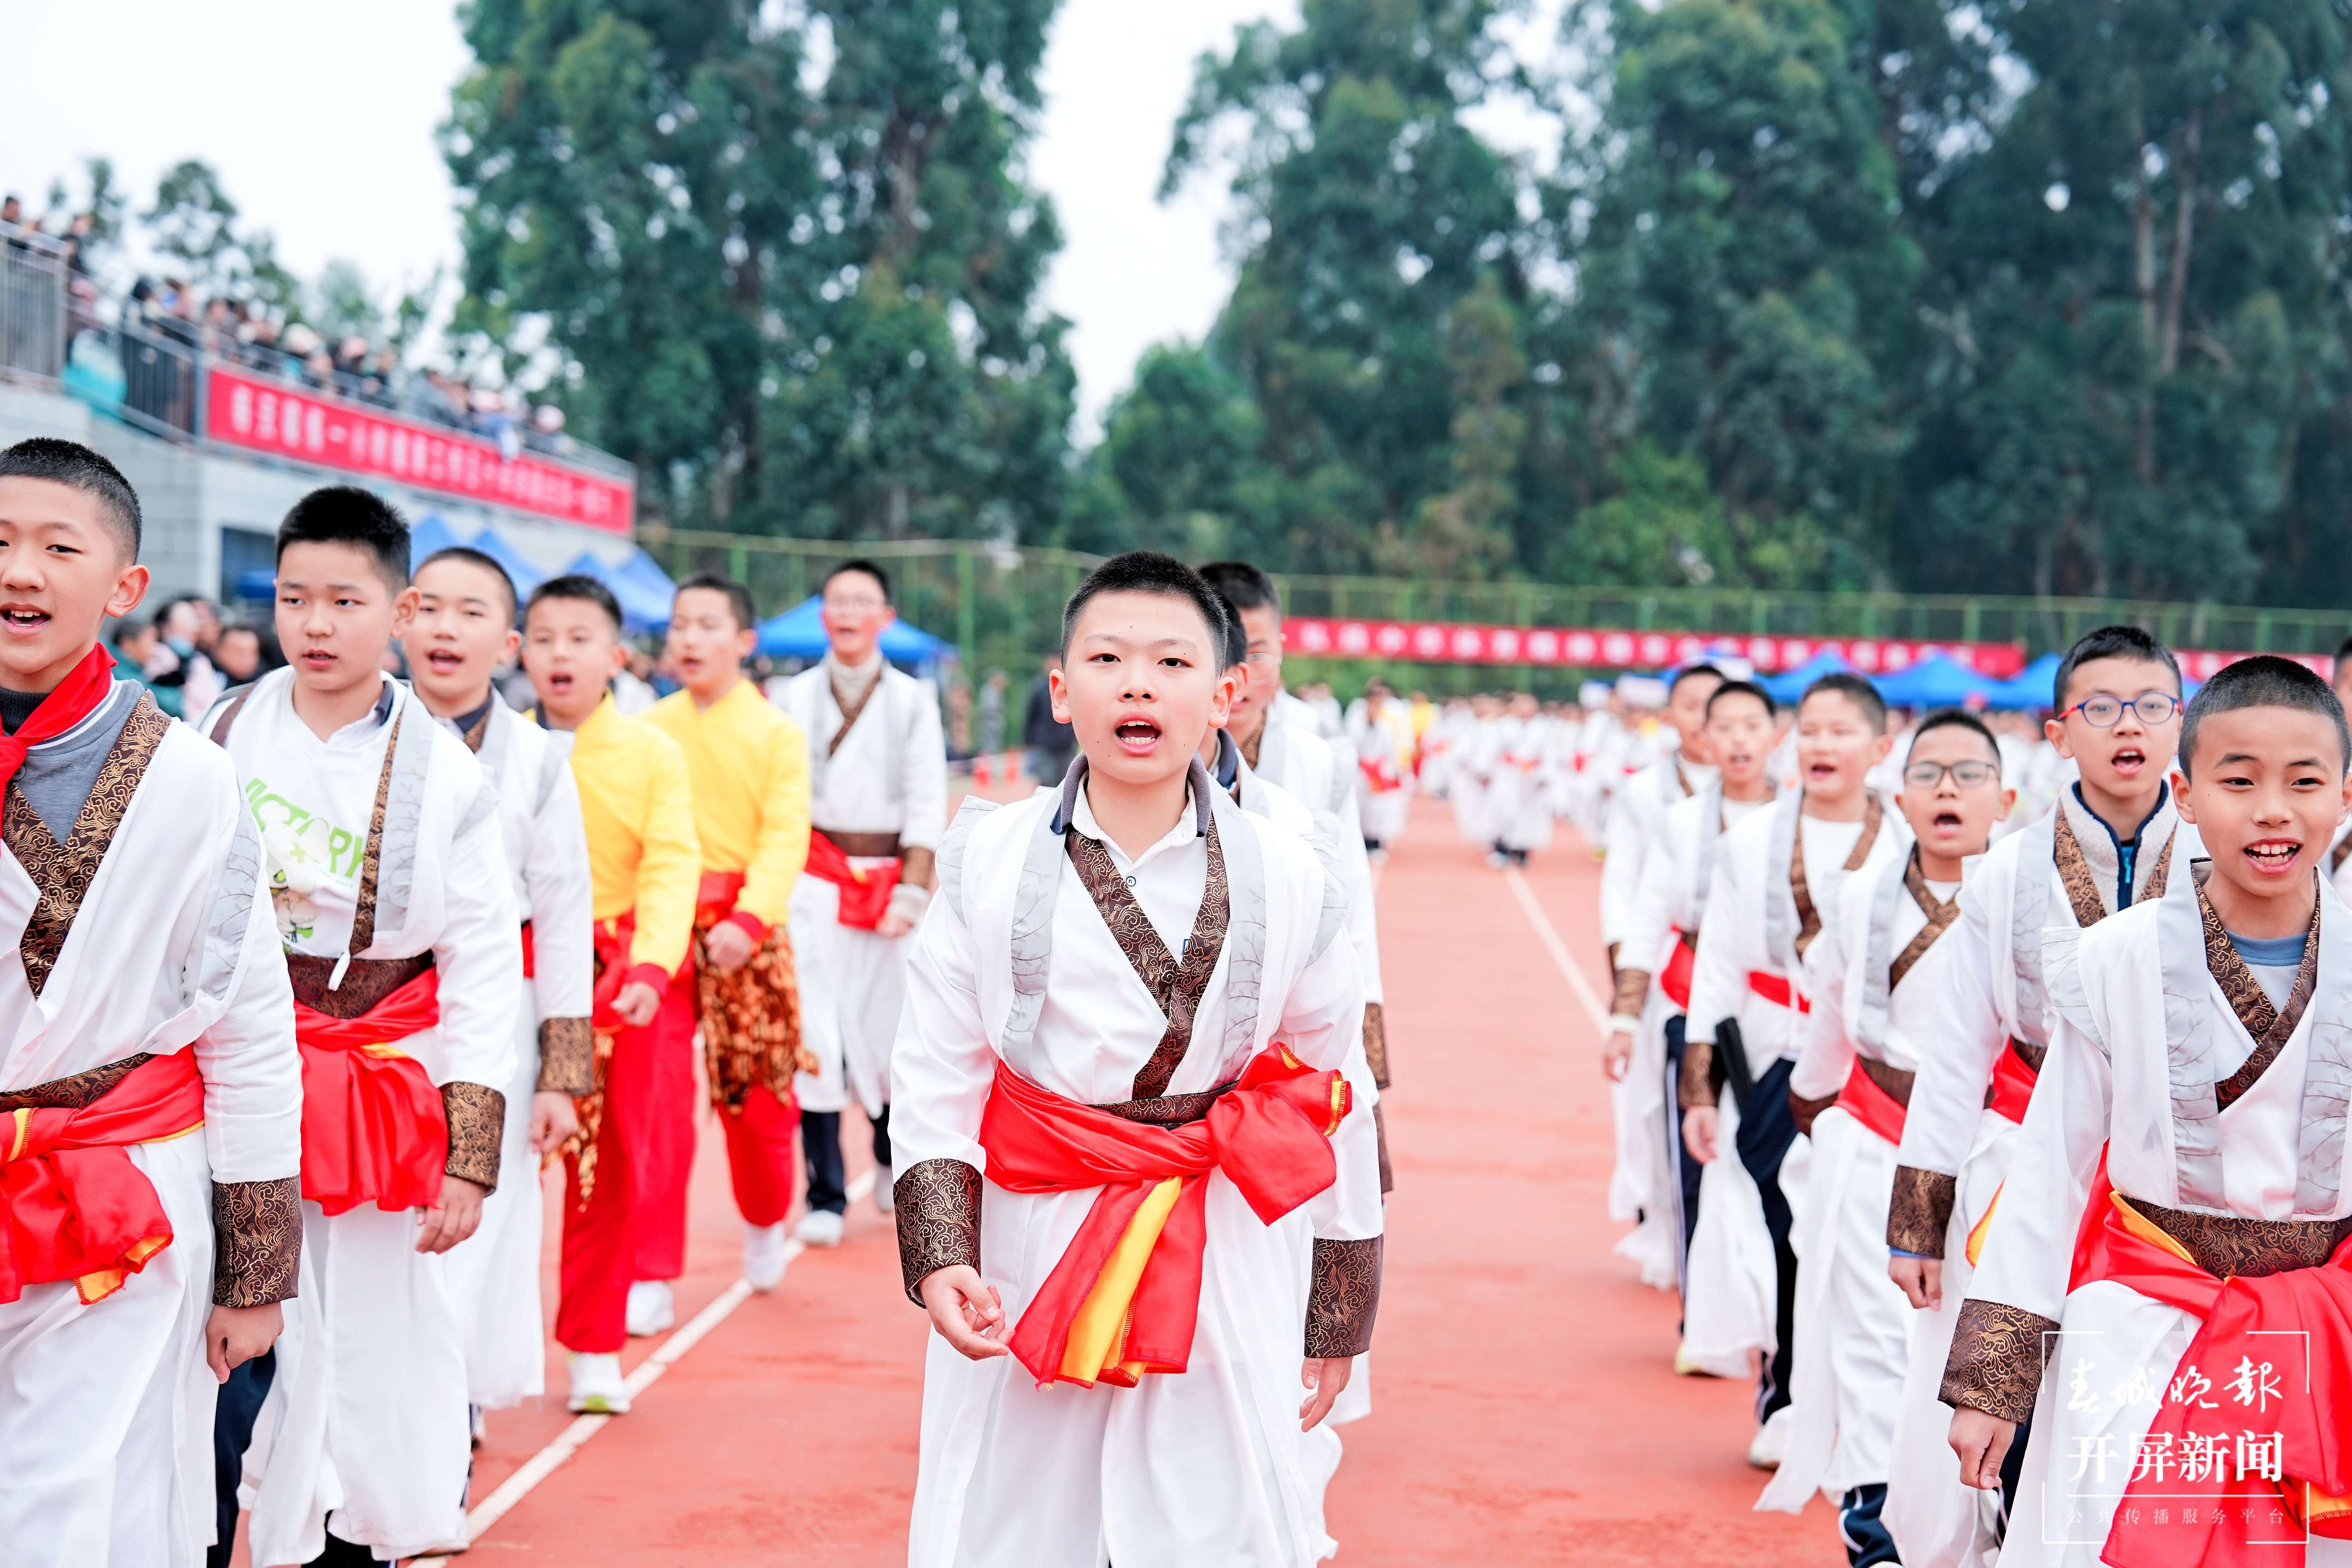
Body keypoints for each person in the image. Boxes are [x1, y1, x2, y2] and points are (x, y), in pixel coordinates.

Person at [891, 551, 1381, 1568]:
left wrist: (1338, 1309)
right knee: (1016, 1523)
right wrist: (942, 1253)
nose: (1138, 685)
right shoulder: (986, 856)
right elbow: (937, 1068)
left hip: (1223, 1240)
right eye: (1107, 658)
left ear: (1224, 696)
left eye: (1172, 661)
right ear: (1061, 691)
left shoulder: (1295, 871)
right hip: (1032, 1240)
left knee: (1219, 1523)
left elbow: (1333, 1088)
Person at [1943, 656, 2352, 1567]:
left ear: (2346, 795)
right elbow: (2052, 1164)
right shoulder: (2112, 958)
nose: (2273, 810)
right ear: (2187, 794)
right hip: (2140, 1322)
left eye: (2304, 782)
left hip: (2319, 1336)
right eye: (2239, 781)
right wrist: (1993, 1381)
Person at [201, 487, 522, 1567]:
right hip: (233, 1061)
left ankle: (356, 1534)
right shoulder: (217, 733)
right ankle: (215, 1528)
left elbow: (485, 968)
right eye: (295, 598)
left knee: (378, 1328)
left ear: (400, 609)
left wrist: (470, 1154)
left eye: (346, 600)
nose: (317, 624)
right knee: (226, 1308)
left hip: (381, 1073)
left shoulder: (450, 773)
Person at [0, 440, 300, 1568]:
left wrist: (256, 1271)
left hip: (121, 1194)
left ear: (125, 585)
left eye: (57, 546)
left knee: (74, 1501)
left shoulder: (189, 777)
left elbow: (250, 1027)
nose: (19, 569)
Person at [1883, 625, 2191, 1568]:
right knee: (2004, 1387)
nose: (2128, 726)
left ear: (2181, 723)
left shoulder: (2222, 860)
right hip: (2020, 1165)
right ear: (2058, 733)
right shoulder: (2008, 871)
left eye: (2150, 705)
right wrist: (1918, 1220)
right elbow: (1956, 1051)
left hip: (2164, 1190)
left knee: (2129, 1407)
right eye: (2102, 707)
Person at [1759, 711, 2013, 1562]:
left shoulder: (2026, 897)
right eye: (1929, 773)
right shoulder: (1859, 894)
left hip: (1989, 1159)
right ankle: (1877, 1537)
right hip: (1874, 1140)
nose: (1948, 788)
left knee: (1975, 1352)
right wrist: (1813, 1118)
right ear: (1899, 798)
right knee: (1873, 1345)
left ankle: (1978, 1530)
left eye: (1970, 773)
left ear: (2006, 798)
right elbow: (1830, 1023)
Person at [1681, 671, 1902, 1468]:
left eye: (1841, 732)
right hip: (1775, 1061)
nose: (1821, 745)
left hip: (1877, 1074)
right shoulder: (1749, 843)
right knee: (1781, 1234)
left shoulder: (1909, 843)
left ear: (1880, 748)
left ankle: (1874, 1415)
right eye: (1809, 731)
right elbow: (1716, 968)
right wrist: (1701, 1089)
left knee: (1875, 1243)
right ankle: (1786, 1398)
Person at [401, 547, 594, 1428]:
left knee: (488, 1203)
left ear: (508, 643)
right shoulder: (367, 736)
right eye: (431, 608)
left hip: (496, 1016)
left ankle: (457, 1408)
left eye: (472, 612)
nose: (447, 629)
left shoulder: (539, 758)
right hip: (375, 1017)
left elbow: (564, 915)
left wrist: (562, 1074)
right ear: (401, 619)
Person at [523, 574, 700, 1413]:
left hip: (613, 981)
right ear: (519, 651)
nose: (560, 654)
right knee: (486, 1163)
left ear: (617, 657)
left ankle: (594, 1349)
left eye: (579, 638)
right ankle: (472, 1375)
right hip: (512, 971)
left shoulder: (651, 753)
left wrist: (652, 969)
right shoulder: (496, 748)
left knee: (612, 1164)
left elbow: (671, 864)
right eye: (544, 637)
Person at [1195, 561, 1393, 1192]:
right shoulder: (1149, 753)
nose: (1242, 674)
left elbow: (1351, 912)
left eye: (1258, 653)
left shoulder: (1320, 762)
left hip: (1298, 1016)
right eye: (1224, 651)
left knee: (1321, 1189)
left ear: (1282, 650)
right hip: (1193, 1026)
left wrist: (1366, 1037)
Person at [647, 574, 817, 1293]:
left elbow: (785, 835)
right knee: (652, 1101)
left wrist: (748, 920)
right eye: (680, 624)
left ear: (744, 641)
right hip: (660, 929)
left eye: (707, 625)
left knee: (757, 1100)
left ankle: (764, 1226)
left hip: (746, 933)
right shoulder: (649, 727)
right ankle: (648, 1273)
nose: (689, 639)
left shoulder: (776, 733)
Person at [772, 562, 944, 1248]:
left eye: (861, 601)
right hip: (812, 878)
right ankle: (824, 1193)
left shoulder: (912, 699)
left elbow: (927, 798)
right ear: (823, 614)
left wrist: (912, 890)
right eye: (837, 601)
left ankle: (887, 1154)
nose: (847, 613)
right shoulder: (791, 695)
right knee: (814, 1033)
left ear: (884, 617)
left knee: (891, 1031)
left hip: (885, 885)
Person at [1613, 679, 1782, 1346]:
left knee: (1774, 1165)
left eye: (1752, 726)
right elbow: (1646, 915)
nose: (1738, 741)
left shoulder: (1798, 817)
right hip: (1690, 1005)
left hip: (1774, 1016)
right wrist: (1625, 1017)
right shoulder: (1682, 822)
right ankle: (1700, 1319)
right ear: (1703, 739)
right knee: (1693, 1160)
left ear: (1776, 736)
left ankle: (1773, 1320)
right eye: (1725, 727)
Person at [1602, 662, 1725, 1290]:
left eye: (1718, 706)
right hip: (1665, 978)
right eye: (1693, 705)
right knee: (1657, 1111)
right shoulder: (1645, 794)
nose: (1706, 720)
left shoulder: (1766, 793)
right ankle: (1672, 1232)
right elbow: (1624, 891)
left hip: (1737, 983)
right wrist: (1630, 992)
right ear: (1671, 716)